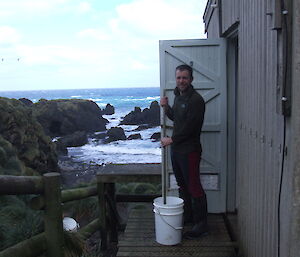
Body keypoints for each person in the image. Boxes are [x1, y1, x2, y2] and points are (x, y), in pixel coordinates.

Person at [160, 64, 207, 239]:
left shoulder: (196, 100)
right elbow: (177, 119)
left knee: (194, 187)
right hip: (177, 150)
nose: (181, 81)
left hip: (190, 151)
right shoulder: (178, 96)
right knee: (183, 186)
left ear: (191, 79)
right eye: (179, 77)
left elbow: (190, 128)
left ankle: (201, 225)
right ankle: (188, 217)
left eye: (184, 78)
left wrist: (171, 140)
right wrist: (166, 108)